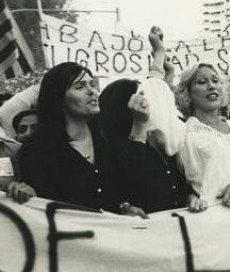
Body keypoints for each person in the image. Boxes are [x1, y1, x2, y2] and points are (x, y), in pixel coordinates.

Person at [143, 27, 230, 210]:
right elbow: (154, 109)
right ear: (187, 94)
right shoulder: (185, 132)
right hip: (217, 223)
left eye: (215, 80)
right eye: (201, 82)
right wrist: (159, 56)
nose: (211, 86)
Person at [16, 63, 146, 216]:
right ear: (58, 98)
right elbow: (40, 212)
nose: (92, 91)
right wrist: (26, 194)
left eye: (92, 84)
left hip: (113, 238)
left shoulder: (107, 140)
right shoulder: (35, 151)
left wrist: (124, 208)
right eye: (80, 86)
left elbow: (130, 186)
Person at [98, 79, 192, 213]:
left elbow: (178, 181)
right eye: (140, 96)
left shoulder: (156, 137)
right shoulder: (107, 145)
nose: (146, 102)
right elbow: (131, 182)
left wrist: (190, 195)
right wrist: (139, 124)